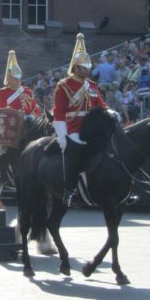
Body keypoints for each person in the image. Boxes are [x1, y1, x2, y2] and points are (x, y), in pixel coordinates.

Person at [53, 33, 107, 208]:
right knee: (75, 153)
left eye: (88, 67)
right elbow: (59, 111)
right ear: (76, 68)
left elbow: (101, 104)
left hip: (92, 128)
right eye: (84, 67)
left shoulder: (91, 85)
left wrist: (110, 114)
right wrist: (62, 136)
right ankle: (69, 191)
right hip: (74, 128)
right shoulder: (64, 85)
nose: (88, 70)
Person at [0, 50, 41, 120]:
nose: (18, 80)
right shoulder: (2, 93)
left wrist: (31, 117)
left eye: (19, 78)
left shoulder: (27, 91)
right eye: (15, 78)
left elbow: (35, 109)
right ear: (9, 78)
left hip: (29, 123)